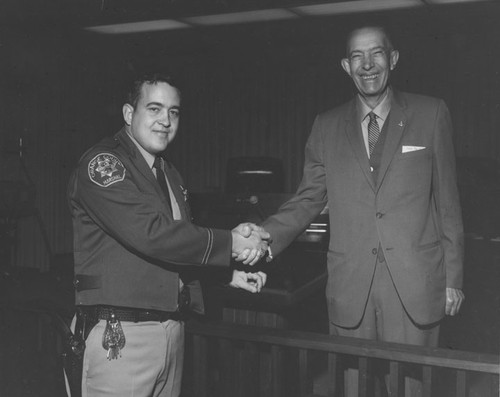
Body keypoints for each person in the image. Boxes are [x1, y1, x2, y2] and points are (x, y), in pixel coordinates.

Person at [258, 25, 465, 395]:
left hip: (416, 287)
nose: (367, 65)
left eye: (376, 54)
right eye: (357, 56)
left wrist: (453, 278)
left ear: (393, 58)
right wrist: (262, 236)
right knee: (352, 388)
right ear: (345, 65)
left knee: (415, 389)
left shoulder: (430, 113)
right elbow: (308, 198)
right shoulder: (326, 125)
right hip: (351, 287)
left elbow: (447, 202)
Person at [66, 72, 269, 397]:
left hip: (172, 330)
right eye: (155, 109)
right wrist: (232, 243)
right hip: (120, 336)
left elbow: (176, 246)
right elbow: (152, 235)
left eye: (173, 112)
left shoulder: (168, 171)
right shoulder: (104, 163)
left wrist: (225, 274)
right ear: (129, 114)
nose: (165, 120)